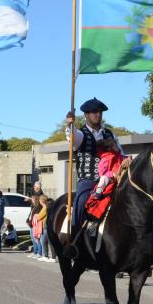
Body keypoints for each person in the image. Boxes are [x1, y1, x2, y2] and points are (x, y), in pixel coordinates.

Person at [64, 98, 123, 235]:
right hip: (88, 181)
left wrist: (126, 161)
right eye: (94, 112)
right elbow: (72, 136)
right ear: (86, 115)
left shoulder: (110, 134)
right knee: (82, 200)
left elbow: (121, 153)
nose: (98, 115)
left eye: (100, 112)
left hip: (111, 180)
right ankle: (74, 235)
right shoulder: (81, 134)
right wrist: (70, 125)